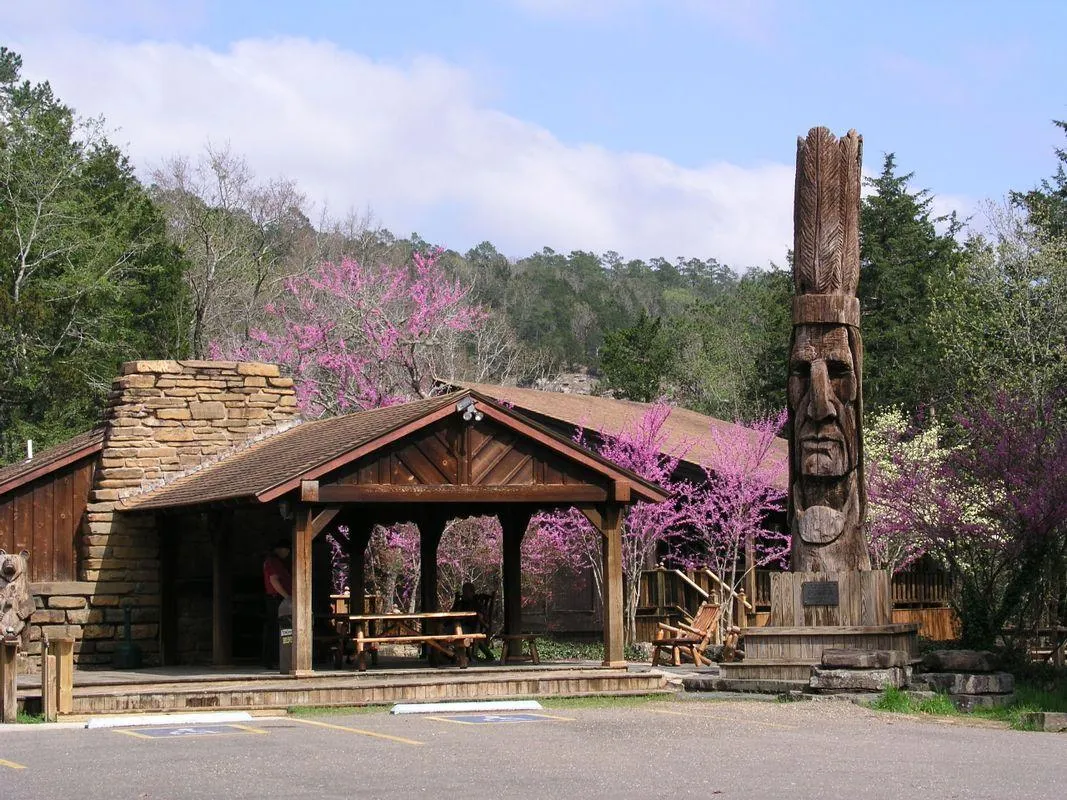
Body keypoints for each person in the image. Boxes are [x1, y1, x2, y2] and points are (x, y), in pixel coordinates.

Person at [262, 539, 292, 669]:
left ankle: (279, 659)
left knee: (281, 630)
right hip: (277, 599)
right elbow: (274, 580)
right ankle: (272, 660)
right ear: (280, 549)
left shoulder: (278, 562)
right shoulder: (272, 562)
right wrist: (287, 597)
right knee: (277, 629)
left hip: (280, 599)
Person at [452, 582, 494, 662]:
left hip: (469, 628)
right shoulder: (460, 603)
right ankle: (447, 654)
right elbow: (452, 613)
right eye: (463, 591)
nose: (464, 594)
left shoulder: (476, 604)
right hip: (455, 626)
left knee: (450, 630)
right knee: (441, 628)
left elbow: (483, 618)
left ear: (472, 592)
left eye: (466, 591)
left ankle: (459, 657)